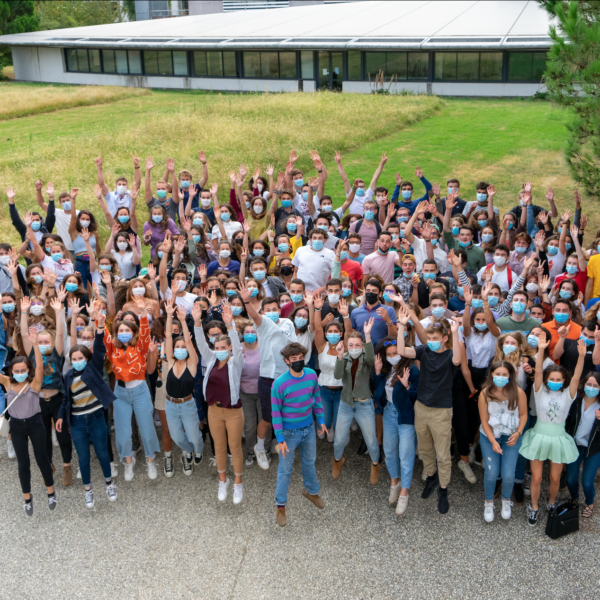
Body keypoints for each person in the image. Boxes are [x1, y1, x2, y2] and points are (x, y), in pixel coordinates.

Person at [398, 317, 462, 514]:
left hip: (441, 411)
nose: (431, 340)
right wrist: (401, 326)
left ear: (444, 338)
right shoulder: (424, 350)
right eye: (429, 337)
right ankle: (432, 477)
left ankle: (443, 490)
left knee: (443, 454)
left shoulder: (451, 354)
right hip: (422, 408)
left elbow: (458, 360)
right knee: (425, 449)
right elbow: (402, 351)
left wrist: (455, 331)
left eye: (435, 337)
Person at [519, 331, 584, 526]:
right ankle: (535, 507)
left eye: (559, 380)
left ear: (563, 381)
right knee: (536, 478)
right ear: (547, 380)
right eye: (552, 379)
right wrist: (540, 350)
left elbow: (577, 377)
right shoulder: (539, 392)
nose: (555, 382)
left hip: (558, 437)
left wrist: (581, 357)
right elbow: (537, 372)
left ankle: (551, 503)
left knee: (555, 478)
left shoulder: (568, 394)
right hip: (539, 435)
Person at [56, 308, 118, 508]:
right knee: (83, 457)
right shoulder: (68, 376)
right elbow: (66, 399)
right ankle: (88, 490)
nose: (77, 362)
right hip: (77, 422)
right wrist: (60, 417)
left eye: (80, 358)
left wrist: (99, 326)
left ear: (86, 359)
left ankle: (109, 484)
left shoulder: (93, 367)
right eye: (73, 359)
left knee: (102, 453)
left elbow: (99, 349)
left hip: (96, 418)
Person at [104, 295, 160, 481]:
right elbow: (103, 334)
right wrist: (98, 317)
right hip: (120, 393)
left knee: (146, 428)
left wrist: (143, 311)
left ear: (133, 331)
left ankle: (150, 460)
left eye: (127, 329)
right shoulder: (113, 347)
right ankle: (129, 462)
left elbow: (144, 332)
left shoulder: (140, 346)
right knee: (122, 431)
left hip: (140, 391)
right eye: (120, 330)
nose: (124, 332)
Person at [193, 301, 245, 503]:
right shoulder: (211, 359)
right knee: (219, 447)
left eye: (224, 347)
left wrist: (230, 325)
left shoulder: (236, 362)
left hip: (233, 412)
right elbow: (199, 342)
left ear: (230, 348)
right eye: (217, 347)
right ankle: (222, 481)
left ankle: (238, 484)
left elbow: (238, 348)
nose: (220, 349)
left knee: (235, 447)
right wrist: (197, 322)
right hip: (213, 411)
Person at [1, 328, 56, 516]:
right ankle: (27, 498)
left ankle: (50, 492)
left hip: (35, 424)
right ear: (11, 371)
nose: (20, 373)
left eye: (23, 370)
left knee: (42, 459)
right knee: (23, 463)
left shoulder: (34, 383)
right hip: (16, 427)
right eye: (16, 371)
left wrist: (34, 344)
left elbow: (40, 367)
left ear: (28, 370)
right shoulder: (8, 383)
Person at [271, 341, 327, 527]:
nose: (298, 361)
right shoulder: (279, 383)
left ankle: (311, 491)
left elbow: (316, 399)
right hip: (288, 433)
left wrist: (320, 420)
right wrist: (280, 439)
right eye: (294, 359)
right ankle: (280, 505)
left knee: (310, 462)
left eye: (301, 358)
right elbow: (276, 413)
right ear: (287, 361)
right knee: (285, 470)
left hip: (309, 429)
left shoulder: (311, 375)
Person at [20, 295, 73, 486]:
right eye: (39, 342)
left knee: (63, 435)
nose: (43, 344)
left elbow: (60, 334)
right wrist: (24, 311)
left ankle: (67, 466)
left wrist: (59, 311)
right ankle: (48, 466)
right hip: (39, 402)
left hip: (58, 400)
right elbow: (25, 334)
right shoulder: (32, 354)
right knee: (43, 440)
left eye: (46, 342)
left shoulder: (56, 354)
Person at [374, 331, 419, 515]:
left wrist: (408, 385)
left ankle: (404, 493)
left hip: (406, 416)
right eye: (389, 354)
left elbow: (417, 395)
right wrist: (377, 373)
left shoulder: (412, 369)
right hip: (389, 413)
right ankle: (394, 482)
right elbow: (378, 392)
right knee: (390, 453)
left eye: (395, 353)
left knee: (406, 456)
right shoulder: (385, 369)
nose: (392, 357)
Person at [478, 361, 528, 523]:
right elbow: (484, 421)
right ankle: (488, 502)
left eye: (504, 374)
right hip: (489, 436)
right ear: (491, 374)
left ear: (510, 376)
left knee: (508, 474)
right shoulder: (485, 394)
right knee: (492, 473)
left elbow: (523, 415)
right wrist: (492, 441)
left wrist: (518, 432)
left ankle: (506, 501)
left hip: (511, 436)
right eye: (497, 374)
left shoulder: (519, 392)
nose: (500, 377)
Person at [332, 318, 381, 483]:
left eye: (357, 345)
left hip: (364, 405)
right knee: (339, 440)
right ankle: (338, 461)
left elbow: (370, 359)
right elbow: (338, 376)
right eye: (351, 345)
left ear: (362, 346)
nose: (354, 348)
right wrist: (339, 357)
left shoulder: (366, 359)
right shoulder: (344, 357)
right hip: (345, 404)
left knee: (371, 440)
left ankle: (375, 465)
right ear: (346, 345)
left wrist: (367, 336)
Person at [164, 300, 204, 475]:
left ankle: (198, 449)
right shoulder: (171, 361)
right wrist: (169, 315)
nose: (180, 348)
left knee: (195, 437)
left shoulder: (192, 363)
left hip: (188, 405)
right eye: (177, 347)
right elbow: (167, 337)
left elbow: (188, 339)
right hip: (170, 405)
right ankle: (187, 450)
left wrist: (182, 321)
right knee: (177, 437)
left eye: (183, 347)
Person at [565, 371, 600, 518]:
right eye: (589, 384)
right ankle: (574, 497)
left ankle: (589, 502)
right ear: (584, 385)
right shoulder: (575, 401)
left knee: (587, 482)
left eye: (595, 385)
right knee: (571, 479)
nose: (591, 388)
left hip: (594, 449)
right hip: (575, 445)